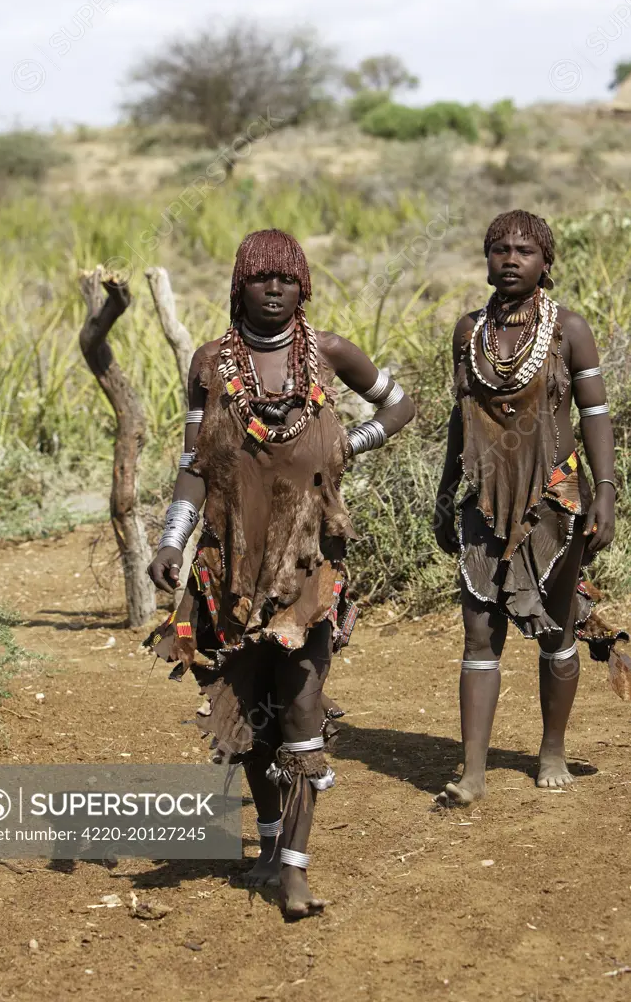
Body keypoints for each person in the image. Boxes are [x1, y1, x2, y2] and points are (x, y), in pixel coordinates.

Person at [144, 229, 415, 918]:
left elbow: (400, 404)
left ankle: (294, 868)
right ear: (239, 284)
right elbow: (193, 463)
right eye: (261, 278)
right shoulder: (210, 364)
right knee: (248, 720)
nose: (273, 289)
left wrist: (348, 445)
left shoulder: (328, 354)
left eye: (286, 279)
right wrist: (171, 539)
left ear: (303, 287)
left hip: (305, 566)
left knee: (300, 706)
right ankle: (268, 845)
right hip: (227, 567)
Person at [434, 209, 627, 806]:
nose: (511, 259)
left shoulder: (569, 328)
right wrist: (445, 496)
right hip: (484, 498)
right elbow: (458, 420)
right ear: (486, 259)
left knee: (558, 626)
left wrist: (606, 490)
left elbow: (594, 414)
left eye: (524, 250)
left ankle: (551, 749)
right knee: (478, 633)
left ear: (546, 262)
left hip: (557, 497)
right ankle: (472, 772)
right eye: (499, 249)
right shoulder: (469, 332)